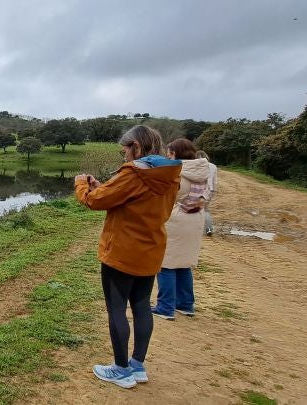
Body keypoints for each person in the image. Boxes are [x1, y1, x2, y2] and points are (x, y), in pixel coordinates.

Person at [75, 125, 181, 388]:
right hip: (150, 249)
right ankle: (137, 365)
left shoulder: (133, 173)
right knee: (142, 306)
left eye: (125, 150)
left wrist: (81, 185)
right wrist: (103, 188)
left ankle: (121, 369)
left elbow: (94, 201)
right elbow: (131, 200)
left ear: (136, 145)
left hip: (122, 251)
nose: (124, 156)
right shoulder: (169, 175)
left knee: (116, 309)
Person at [151, 139, 210, 321]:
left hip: (177, 219)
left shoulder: (179, 171)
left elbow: (168, 195)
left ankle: (165, 306)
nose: (168, 156)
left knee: (166, 262)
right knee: (183, 262)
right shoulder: (201, 171)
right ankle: (185, 304)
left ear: (176, 153)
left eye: (170, 153)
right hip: (195, 217)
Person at [195, 150, 218, 236]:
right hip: (210, 190)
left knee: (196, 209)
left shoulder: (196, 165)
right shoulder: (213, 166)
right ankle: (208, 229)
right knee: (205, 209)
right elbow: (215, 181)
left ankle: (197, 228)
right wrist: (214, 191)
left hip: (198, 189)